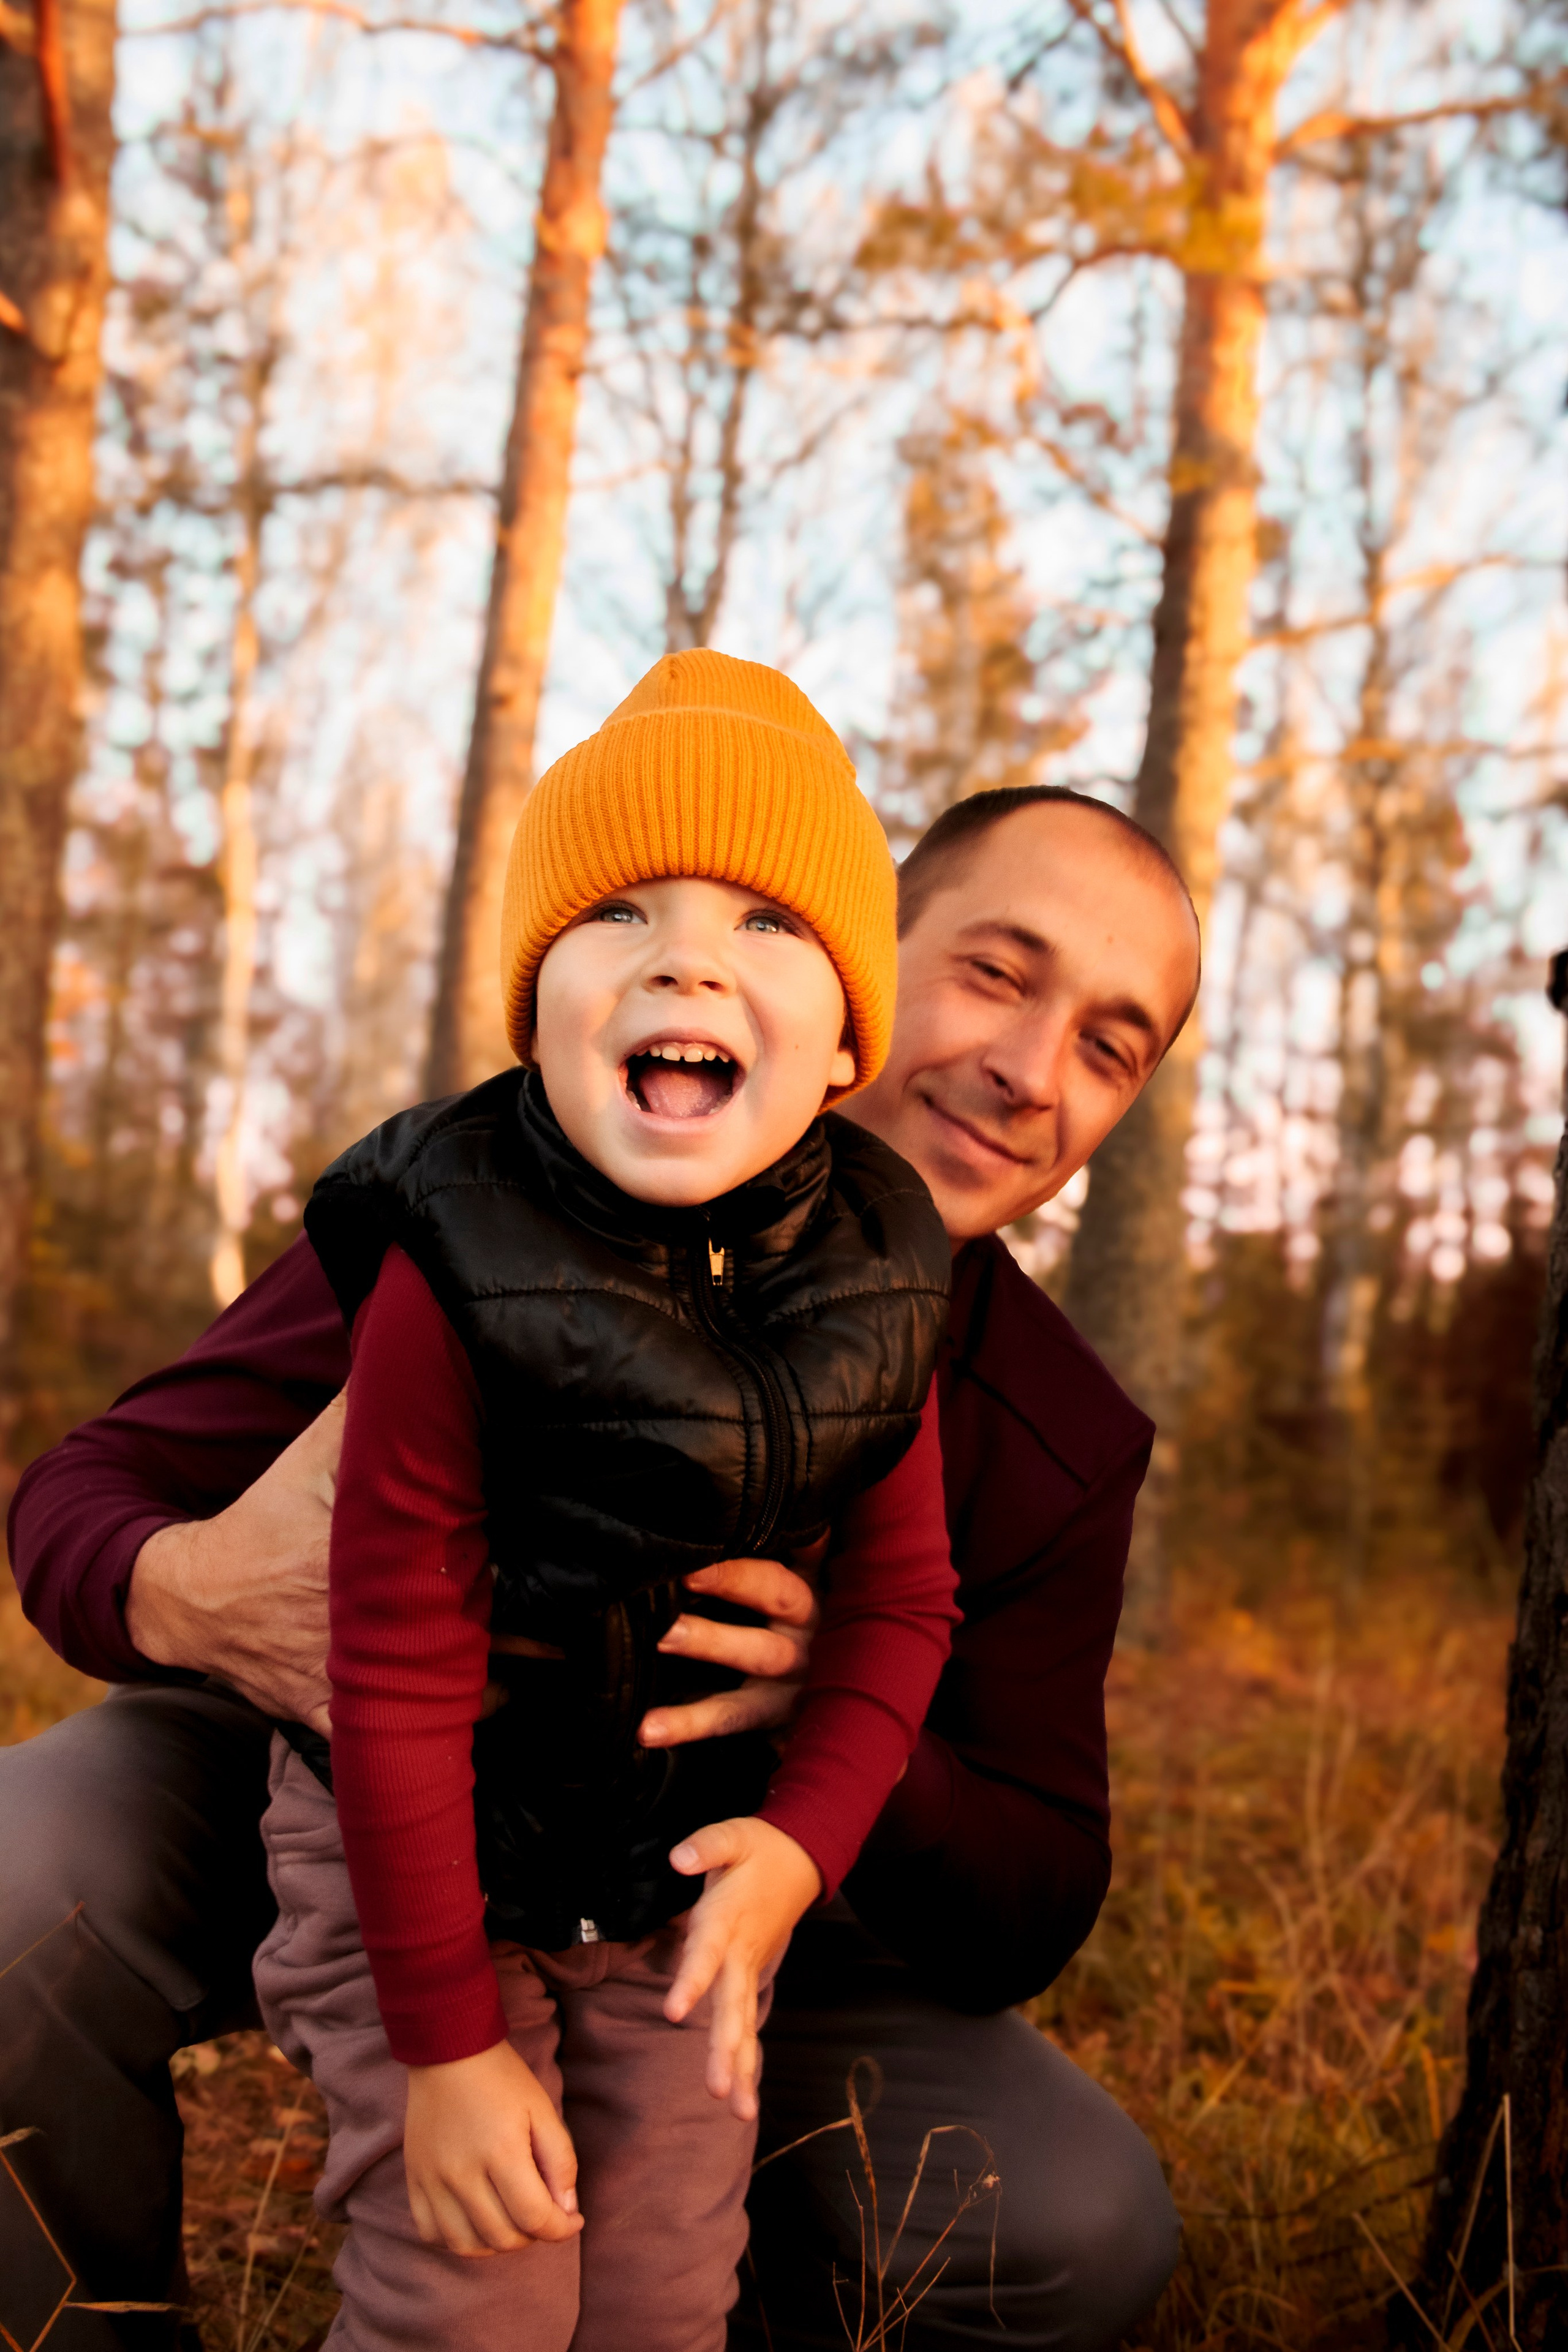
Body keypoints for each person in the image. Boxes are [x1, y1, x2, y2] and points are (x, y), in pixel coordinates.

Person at [4, 771, 1201, 2352]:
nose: (1030, 1069)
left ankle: (668, 2268)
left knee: (1076, 2222)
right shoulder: (487, 1203)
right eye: (996, 970)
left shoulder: (1046, 1431)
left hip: (725, 1906)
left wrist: (834, 1721)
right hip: (351, 1784)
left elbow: (1036, 1895)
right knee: (17, 1878)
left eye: (1109, 1045)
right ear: (861, 949)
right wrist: (207, 1593)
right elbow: (81, 1499)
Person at [250, 646, 960, 2351]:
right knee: (476, 2289)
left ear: (851, 1037)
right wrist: (440, 2037)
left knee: (654, 2290)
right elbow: (402, 1666)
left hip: (669, 1871)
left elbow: (902, 1600)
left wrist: (797, 1848)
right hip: (414, 1852)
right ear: (535, 999)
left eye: (769, 925)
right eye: (622, 914)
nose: (690, 959)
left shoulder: (880, 1277)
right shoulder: (457, 1262)